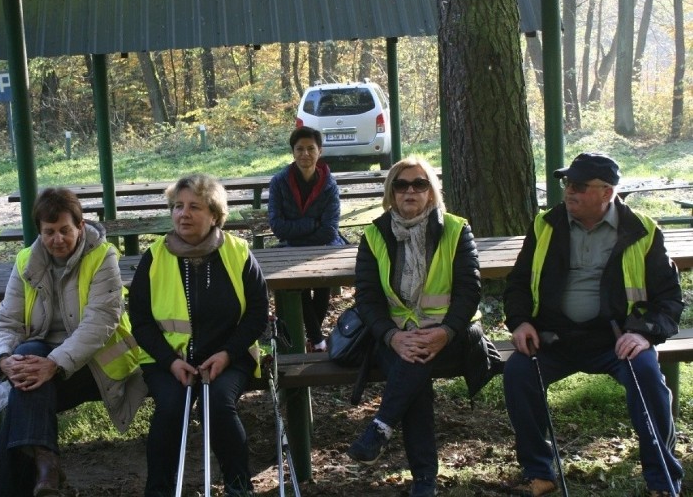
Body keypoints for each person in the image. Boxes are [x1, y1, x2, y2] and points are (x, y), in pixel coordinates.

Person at [503, 153, 683, 497]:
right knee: (518, 373)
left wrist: (644, 333)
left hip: (615, 341)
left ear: (606, 192)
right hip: (553, 338)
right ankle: (539, 473)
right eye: (566, 183)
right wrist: (521, 322)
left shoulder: (642, 230)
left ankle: (662, 482)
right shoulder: (546, 224)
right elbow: (519, 283)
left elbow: (670, 299)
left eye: (578, 186)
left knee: (648, 378)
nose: (568, 192)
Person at [345, 156, 501, 497]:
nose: (410, 191)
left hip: (454, 338)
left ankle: (383, 432)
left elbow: (469, 291)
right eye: (401, 185)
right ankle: (424, 479)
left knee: (413, 364)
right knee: (412, 361)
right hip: (397, 340)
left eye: (420, 184)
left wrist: (444, 332)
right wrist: (392, 336)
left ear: (431, 192)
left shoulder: (457, 230)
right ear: (391, 194)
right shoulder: (373, 235)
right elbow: (368, 299)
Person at [0, 187, 146, 497]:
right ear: (39, 232)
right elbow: (6, 320)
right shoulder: (26, 261)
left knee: (25, 390)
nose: (58, 239)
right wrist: (3, 358)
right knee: (27, 364)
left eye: (65, 230)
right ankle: (46, 469)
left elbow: (101, 322)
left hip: (96, 364)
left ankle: (25, 477)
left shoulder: (102, 256)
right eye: (49, 232)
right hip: (40, 362)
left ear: (80, 226)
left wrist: (54, 364)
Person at [129, 173, 269, 497]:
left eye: (194, 206)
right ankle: (159, 490)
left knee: (218, 403)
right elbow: (140, 320)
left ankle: (238, 485)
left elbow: (258, 314)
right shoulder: (154, 257)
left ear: (215, 214)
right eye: (177, 206)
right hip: (168, 360)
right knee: (171, 405)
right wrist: (169, 361)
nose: (183, 214)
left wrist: (227, 354)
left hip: (228, 357)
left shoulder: (239, 253)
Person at [268, 126, 344, 352]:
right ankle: (317, 338)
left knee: (324, 283)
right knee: (297, 284)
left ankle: (314, 337)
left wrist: (298, 231)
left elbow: (330, 230)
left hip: (324, 246)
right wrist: (312, 224)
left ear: (319, 151)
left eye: (311, 148)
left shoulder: (329, 185)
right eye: (299, 149)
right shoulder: (279, 182)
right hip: (290, 248)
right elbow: (278, 227)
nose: (305, 154)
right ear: (293, 152)